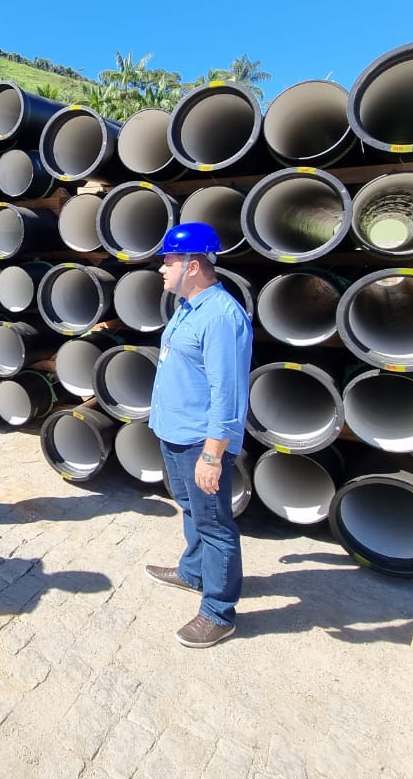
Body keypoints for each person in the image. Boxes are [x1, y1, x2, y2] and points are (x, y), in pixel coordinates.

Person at [144, 222, 253, 648]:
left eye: (167, 261)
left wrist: (212, 455)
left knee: (215, 525)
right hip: (173, 432)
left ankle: (219, 612)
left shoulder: (223, 316)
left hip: (198, 442)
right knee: (189, 506)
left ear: (192, 266)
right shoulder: (187, 307)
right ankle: (193, 571)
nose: (161, 270)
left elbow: (227, 392)